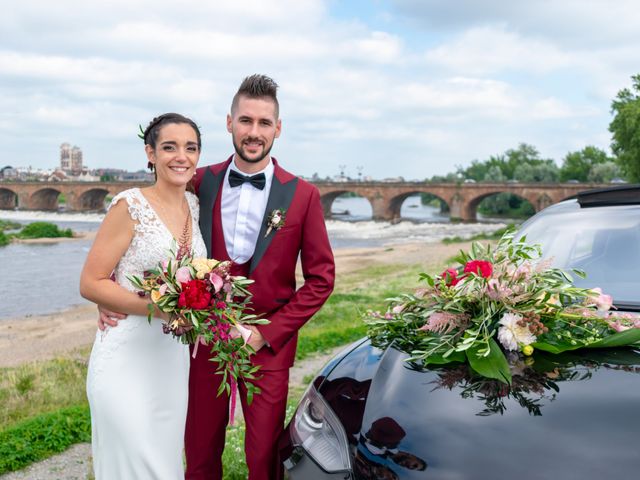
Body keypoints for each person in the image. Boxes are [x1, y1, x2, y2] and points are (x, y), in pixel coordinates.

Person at [185, 74, 335, 479]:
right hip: (206, 339)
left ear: (278, 129)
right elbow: (152, 230)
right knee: (199, 449)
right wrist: (112, 288)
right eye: (246, 120)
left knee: (263, 455)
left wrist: (267, 332)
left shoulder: (303, 195)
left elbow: (321, 279)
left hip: (268, 348)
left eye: (264, 123)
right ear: (229, 122)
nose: (254, 132)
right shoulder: (199, 181)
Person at [82, 113, 207, 479]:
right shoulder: (130, 205)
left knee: (164, 463)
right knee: (135, 462)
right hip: (125, 359)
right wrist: (159, 308)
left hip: (170, 362)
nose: (181, 156)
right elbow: (91, 282)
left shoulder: (193, 206)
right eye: (169, 147)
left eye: (190, 147)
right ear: (150, 153)